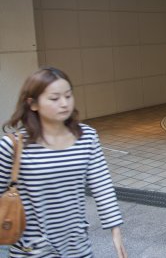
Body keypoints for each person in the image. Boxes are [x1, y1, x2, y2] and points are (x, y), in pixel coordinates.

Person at [0, 67, 127, 258]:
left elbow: (102, 185)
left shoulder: (86, 137)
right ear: (33, 104)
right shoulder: (14, 145)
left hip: (77, 245)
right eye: (54, 98)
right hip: (32, 249)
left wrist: (116, 232)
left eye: (68, 96)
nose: (64, 103)